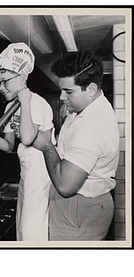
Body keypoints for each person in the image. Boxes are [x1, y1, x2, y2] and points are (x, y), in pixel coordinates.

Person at [32, 50, 120, 241]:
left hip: (79, 209)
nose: (62, 97)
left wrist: (47, 146)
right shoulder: (85, 107)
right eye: (61, 89)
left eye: (69, 91)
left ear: (90, 89)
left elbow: (65, 186)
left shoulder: (92, 126)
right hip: (78, 206)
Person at [0, 42, 55, 241]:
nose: (1, 87)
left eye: (5, 81)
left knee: (33, 230)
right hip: (26, 173)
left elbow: (28, 137)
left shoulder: (37, 103)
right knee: (22, 228)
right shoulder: (9, 108)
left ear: (22, 77)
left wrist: (24, 102)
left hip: (42, 174)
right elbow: (9, 147)